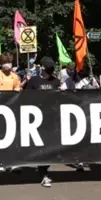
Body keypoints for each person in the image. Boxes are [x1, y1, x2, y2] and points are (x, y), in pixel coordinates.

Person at [25, 56, 61, 187]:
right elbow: (27, 98)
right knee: (40, 146)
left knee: (50, 146)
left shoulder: (56, 82)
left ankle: (44, 169)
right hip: (36, 119)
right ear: (42, 68)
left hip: (51, 119)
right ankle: (43, 172)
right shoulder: (34, 81)